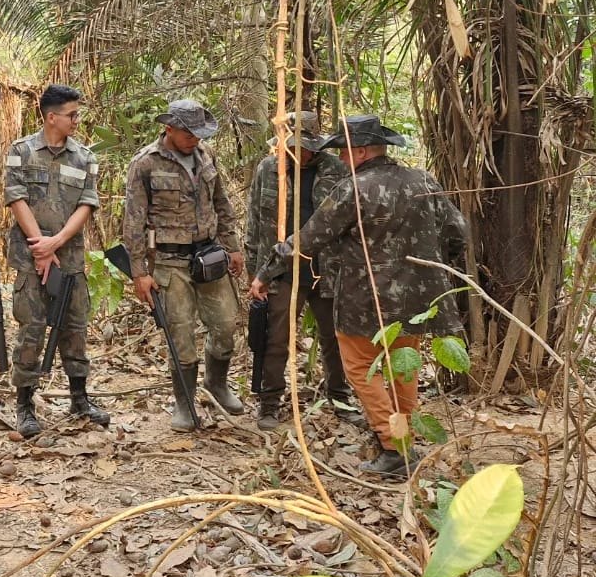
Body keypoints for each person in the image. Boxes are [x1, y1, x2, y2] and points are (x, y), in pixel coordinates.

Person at [258, 115, 468, 476]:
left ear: (361, 151)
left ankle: (393, 447)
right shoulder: (424, 181)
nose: (340, 159)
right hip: (416, 301)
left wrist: (265, 272)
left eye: (344, 152)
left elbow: (309, 239)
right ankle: (404, 439)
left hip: (363, 298)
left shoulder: (354, 188)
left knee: (361, 370)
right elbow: (457, 233)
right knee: (403, 369)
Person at [122, 99, 246, 430]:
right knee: (181, 335)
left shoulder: (207, 156)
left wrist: (233, 247)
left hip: (209, 256)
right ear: (169, 129)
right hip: (168, 261)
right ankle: (185, 402)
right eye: (188, 133)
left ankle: (217, 384)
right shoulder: (145, 164)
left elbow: (222, 202)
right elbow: (132, 222)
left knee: (225, 326)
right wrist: (139, 273)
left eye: (199, 134)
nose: (194, 140)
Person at [5, 84, 109, 436]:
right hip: (30, 259)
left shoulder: (85, 157)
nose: (77, 120)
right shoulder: (21, 151)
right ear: (51, 117)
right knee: (31, 328)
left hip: (70, 258)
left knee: (75, 328)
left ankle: (80, 398)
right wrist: (40, 247)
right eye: (72, 114)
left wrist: (57, 243)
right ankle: (24, 404)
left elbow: (87, 204)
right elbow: (16, 198)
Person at [246, 111, 351, 431]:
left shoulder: (336, 169)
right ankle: (270, 402)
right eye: (293, 145)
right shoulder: (268, 168)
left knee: (335, 338)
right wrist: (256, 271)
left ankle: (340, 397)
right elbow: (255, 222)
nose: (301, 152)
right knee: (276, 339)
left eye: (306, 146)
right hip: (280, 271)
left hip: (328, 269)